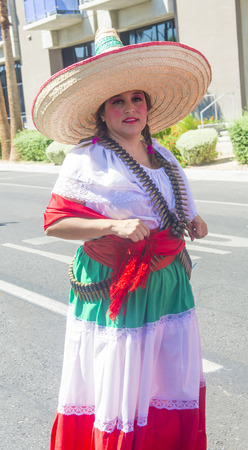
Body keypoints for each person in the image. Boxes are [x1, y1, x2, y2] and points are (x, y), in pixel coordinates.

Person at [33, 27, 211, 450]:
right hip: (120, 285)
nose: (130, 108)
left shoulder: (163, 155)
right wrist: (112, 226)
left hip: (168, 284)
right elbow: (55, 223)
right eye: (118, 101)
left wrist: (195, 220)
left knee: (165, 377)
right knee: (122, 379)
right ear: (102, 111)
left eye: (137, 99)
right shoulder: (86, 159)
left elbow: (174, 206)